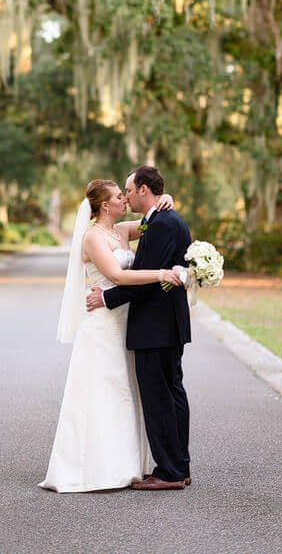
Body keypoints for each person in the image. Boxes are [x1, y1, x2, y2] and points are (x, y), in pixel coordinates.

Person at [41, 179, 183, 493]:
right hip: (102, 325)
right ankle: (96, 466)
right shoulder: (92, 237)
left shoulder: (119, 231)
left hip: (125, 324)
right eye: (120, 196)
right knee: (103, 391)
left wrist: (166, 198)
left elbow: (151, 220)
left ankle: (129, 464)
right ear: (106, 205)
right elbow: (118, 276)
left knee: (126, 391)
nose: (125, 199)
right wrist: (161, 274)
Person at [84, 165, 195, 491]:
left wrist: (106, 298)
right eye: (120, 195)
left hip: (155, 325)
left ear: (144, 190)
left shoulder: (161, 224)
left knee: (161, 397)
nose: (126, 196)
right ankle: (179, 466)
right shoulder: (156, 221)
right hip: (164, 324)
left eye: (129, 191)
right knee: (173, 393)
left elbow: (139, 279)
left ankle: (170, 472)